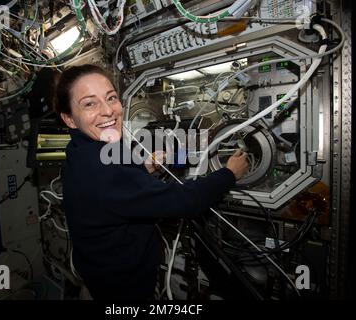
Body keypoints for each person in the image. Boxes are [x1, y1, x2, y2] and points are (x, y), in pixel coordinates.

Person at [55, 64, 249, 300]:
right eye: (89, 103)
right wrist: (229, 173)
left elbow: (112, 183)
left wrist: (142, 166)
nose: (108, 111)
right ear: (69, 119)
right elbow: (186, 202)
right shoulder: (102, 170)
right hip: (123, 289)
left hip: (98, 273)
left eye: (111, 98)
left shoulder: (80, 150)